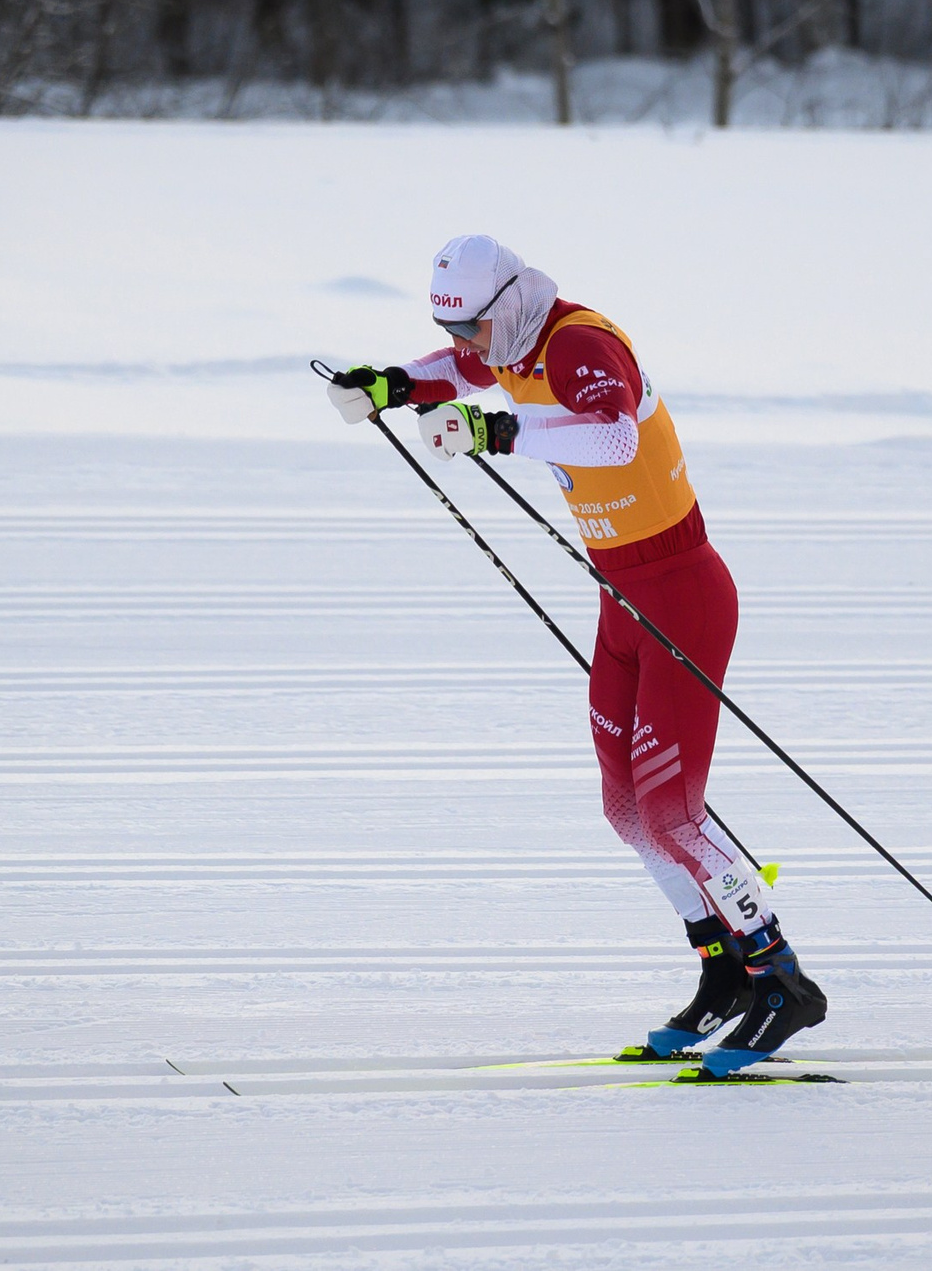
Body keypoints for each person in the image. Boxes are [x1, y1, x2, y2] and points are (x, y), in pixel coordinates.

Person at [326, 234, 826, 1075]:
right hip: (621, 598)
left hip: (682, 595)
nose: (468, 343)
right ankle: (723, 972)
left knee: (673, 813)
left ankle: (782, 979)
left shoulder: (579, 343)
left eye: (474, 326)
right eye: (454, 329)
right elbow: (458, 372)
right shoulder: (509, 343)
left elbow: (615, 439)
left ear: (510, 302)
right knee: (626, 808)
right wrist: (392, 384)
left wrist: (494, 430)